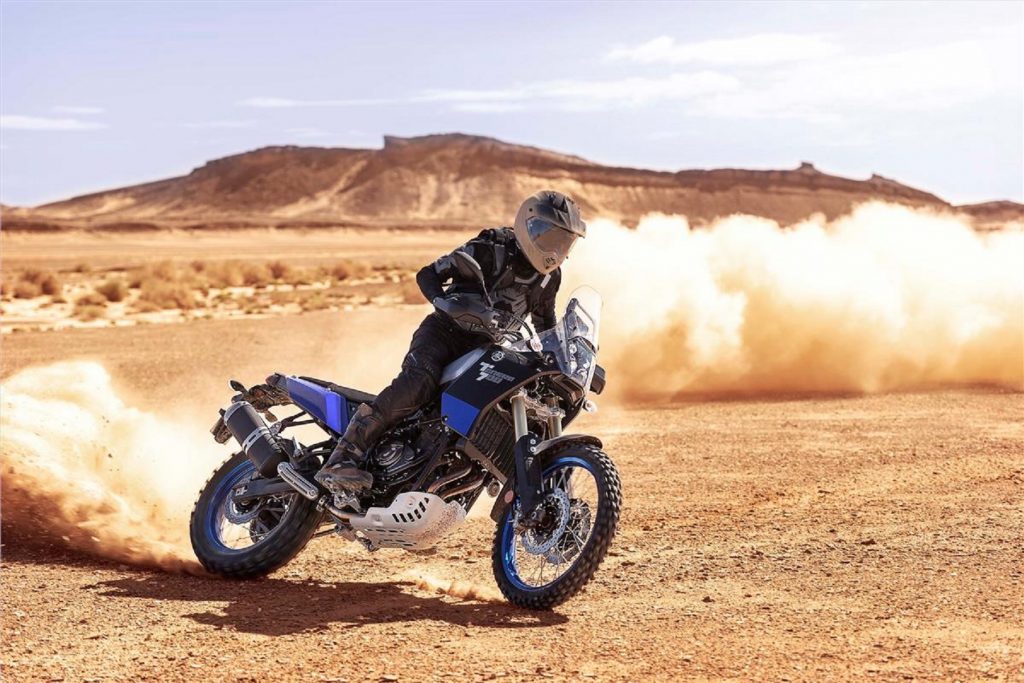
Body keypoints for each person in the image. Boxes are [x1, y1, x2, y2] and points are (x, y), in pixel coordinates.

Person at [316, 190, 586, 494]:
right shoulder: (491, 247)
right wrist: (443, 302)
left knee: (502, 405)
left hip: (486, 350)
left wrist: (564, 355)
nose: (556, 249)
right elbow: (428, 274)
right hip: (444, 334)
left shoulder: (549, 279)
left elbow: (545, 325)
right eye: (551, 237)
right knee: (418, 383)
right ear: (529, 225)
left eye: (564, 242)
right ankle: (343, 456)